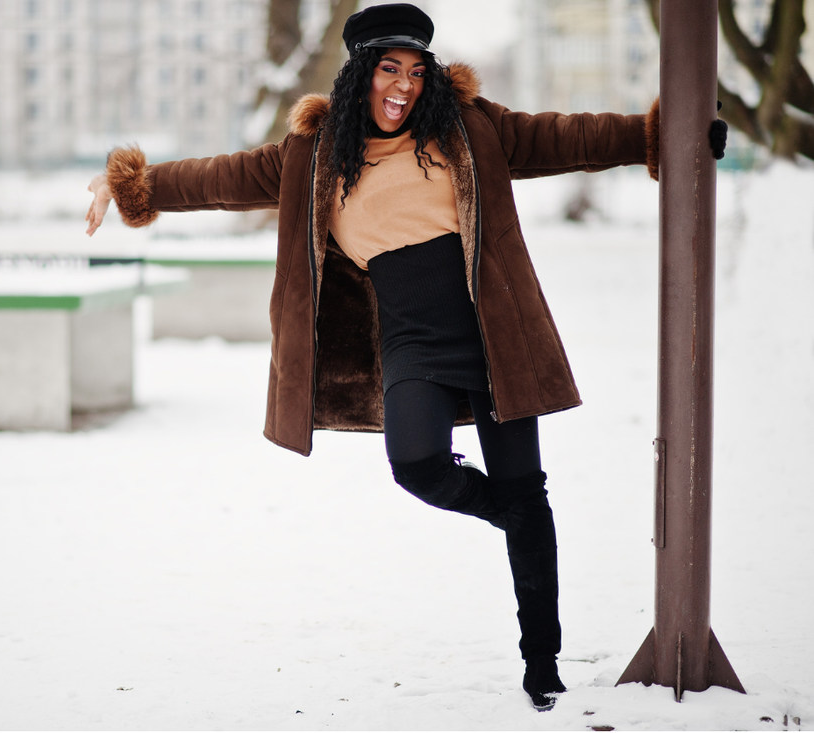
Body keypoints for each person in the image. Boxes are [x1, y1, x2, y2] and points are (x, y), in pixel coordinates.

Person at [85, 3, 725, 712]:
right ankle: (511, 513)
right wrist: (133, 190)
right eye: (389, 69)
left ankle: (541, 661)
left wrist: (661, 132)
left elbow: (561, 137)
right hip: (411, 343)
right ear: (360, 74)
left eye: (417, 72)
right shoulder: (315, 153)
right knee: (417, 463)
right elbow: (225, 178)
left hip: (495, 330)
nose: (405, 85)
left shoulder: (466, 127)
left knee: (525, 484)